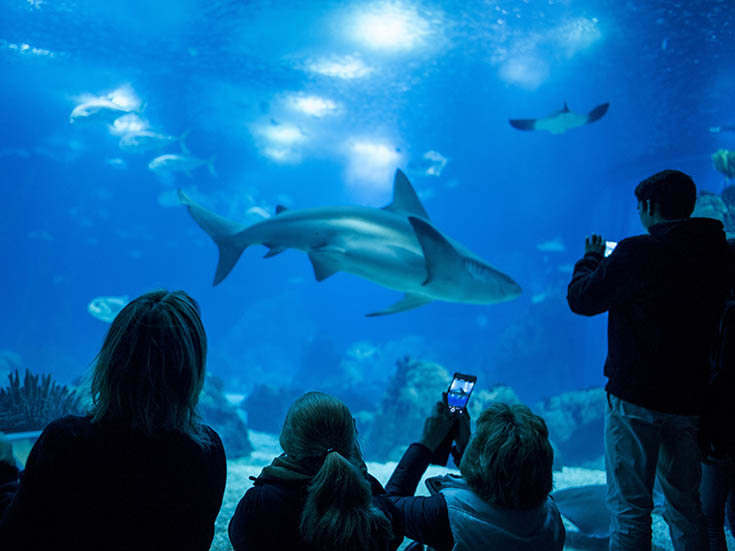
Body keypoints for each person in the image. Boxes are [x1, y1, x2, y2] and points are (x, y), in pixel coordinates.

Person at [567, 169, 733, 550]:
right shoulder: (719, 253)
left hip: (635, 401)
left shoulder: (636, 252)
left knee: (630, 508)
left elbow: (581, 299)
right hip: (691, 402)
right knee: (685, 504)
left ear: (649, 207)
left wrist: (590, 260)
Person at [0, 290, 226, 551]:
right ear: (191, 371)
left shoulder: (66, 441)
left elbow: (15, 536)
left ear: (112, 359)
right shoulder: (207, 451)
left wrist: (5, 472)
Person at [228, 391, 403, 551]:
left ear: (288, 439)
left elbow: (240, 540)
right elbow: (394, 532)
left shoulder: (260, 501)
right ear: (352, 438)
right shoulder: (368, 492)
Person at [384, 398, 565, 551]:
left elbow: (386, 508)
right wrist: (466, 451)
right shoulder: (550, 514)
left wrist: (426, 443)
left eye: (475, 437)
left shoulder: (448, 514)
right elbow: (505, 482)